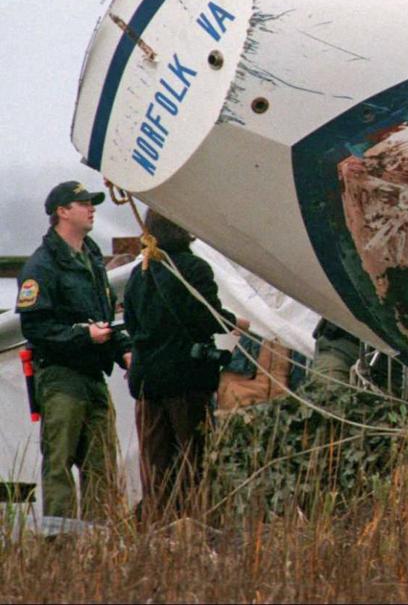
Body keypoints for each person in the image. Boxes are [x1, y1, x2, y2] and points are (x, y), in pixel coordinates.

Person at [16, 181, 131, 520]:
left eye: (92, 203)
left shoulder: (92, 259)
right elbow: (34, 327)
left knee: (103, 464)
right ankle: (60, 544)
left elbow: (106, 316)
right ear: (62, 212)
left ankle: (101, 540)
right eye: (83, 203)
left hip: (93, 376)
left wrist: (122, 349)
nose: (92, 208)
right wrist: (83, 336)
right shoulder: (41, 267)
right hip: (60, 376)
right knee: (60, 463)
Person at [123, 210, 249, 517]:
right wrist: (235, 322)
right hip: (185, 378)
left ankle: (157, 526)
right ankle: (195, 524)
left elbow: (131, 322)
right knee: (195, 460)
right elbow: (205, 316)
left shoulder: (140, 272)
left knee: (155, 464)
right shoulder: (194, 269)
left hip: (147, 381)